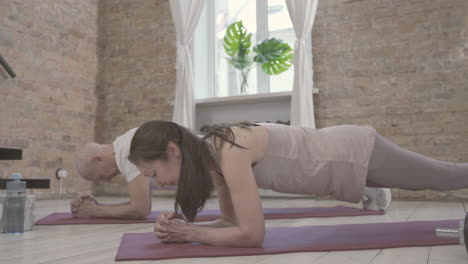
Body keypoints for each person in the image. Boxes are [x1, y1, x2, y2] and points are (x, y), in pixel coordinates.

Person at [128, 120, 468, 247]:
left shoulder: (229, 150)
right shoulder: (213, 160)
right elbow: (232, 223)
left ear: (172, 151)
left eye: (153, 173)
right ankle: (373, 191)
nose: (156, 184)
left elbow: (252, 235)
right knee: (446, 177)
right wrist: (183, 230)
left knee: (448, 177)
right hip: (337, 169)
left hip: (350, 153)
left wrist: (193, 233)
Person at [72, 128, 155, 219]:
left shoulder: (127, 151)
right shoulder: (124, 145)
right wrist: (98, 207)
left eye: (101, 177)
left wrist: (94, 211)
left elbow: (140, 210)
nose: (108, 180)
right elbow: (141, 205)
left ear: (97, 159)